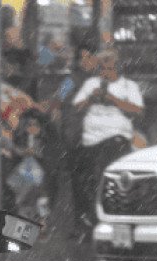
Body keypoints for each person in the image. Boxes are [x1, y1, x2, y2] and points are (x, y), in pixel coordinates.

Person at [72, 48, 143, 236]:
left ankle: (106, 218)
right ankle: (90, 219)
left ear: (118, 68)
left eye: (110, 68)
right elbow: (77, 107)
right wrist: (90, 98)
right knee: (82, 174)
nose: (106, 73)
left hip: (116, 137)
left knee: (105, 167)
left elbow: (137, 111)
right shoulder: (91, 83)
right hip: (90, 141)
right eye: (103, 68)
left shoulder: (129, 86)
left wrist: (114, 100)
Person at [53, 42, 98, 237]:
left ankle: (93, 223)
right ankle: (81, 224)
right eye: (83, 58)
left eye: (89, 57)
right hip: (75, 139)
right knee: (79, 183)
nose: (86, 62)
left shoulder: (101, 80)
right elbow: (57, 102)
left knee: (93, 182)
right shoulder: (71, 79)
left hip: (96, 139)